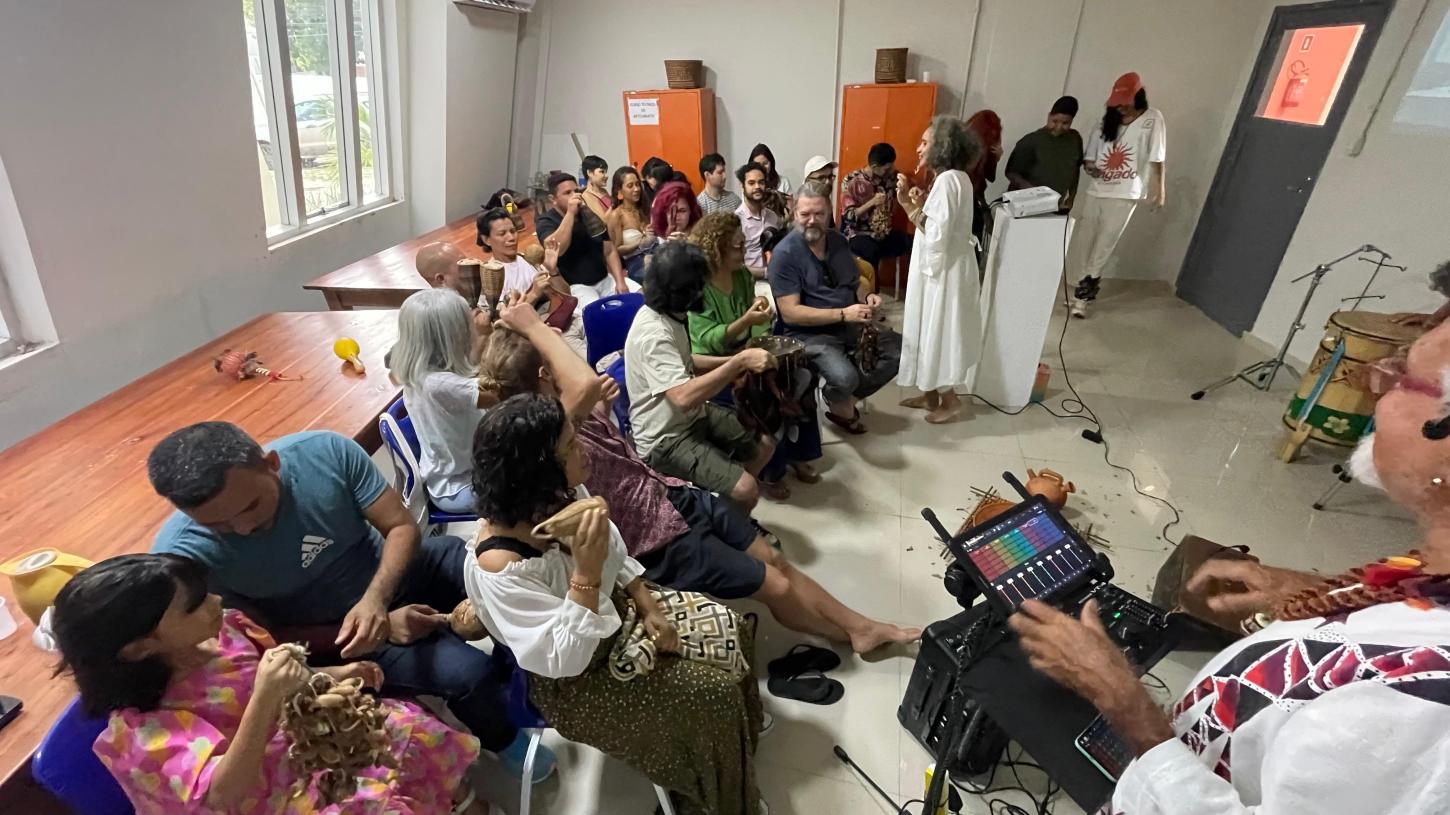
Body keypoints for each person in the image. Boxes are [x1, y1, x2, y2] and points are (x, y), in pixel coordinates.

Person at [1010, 319, 1450, 813]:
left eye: (1405, 377)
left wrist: (1127, 707)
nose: (1378, 388)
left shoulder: (1426, 714)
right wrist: (1333, 601)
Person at [479, 298, 919, 653]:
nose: (566, 358)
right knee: (776, 583)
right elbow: (585, 385)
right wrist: (532, 326)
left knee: (775, 560)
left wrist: (602, 414)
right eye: (554, 358)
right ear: (543, 376)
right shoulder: (538, 435)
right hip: (655, 539)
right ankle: (852, 632)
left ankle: (861, 627)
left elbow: (597, 419)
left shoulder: (558, 418)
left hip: (670, 496)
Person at [147, 422, 554, 779]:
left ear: (272, 464)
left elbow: (400, 527)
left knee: (475, 565)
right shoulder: (185, 558)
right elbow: (261, 637)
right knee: (468, 673)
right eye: (217, 525)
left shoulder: (324, 452)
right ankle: (504, 740)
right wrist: (375, 628)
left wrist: (377, 600)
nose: (244, 526)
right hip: (339, 634)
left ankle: (524, 662)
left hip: (389, 577)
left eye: (252, 505)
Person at [464, 393, 766, 815]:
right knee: (712, 697)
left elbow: (617, 554)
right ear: (536, 470)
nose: (583, 451)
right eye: (569, 447)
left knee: (730, 625)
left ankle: (732, 753)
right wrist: (584, 577)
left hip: (615, 614)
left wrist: (648, 603)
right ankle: (715, 794)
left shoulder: (562, 495)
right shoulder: (501, 565)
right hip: (574, 678)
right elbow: (561, 659)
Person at [52, 553, 485, 815]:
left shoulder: (221, 636)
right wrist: (266, 694)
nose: (216, 603)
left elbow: (278, 679)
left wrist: (329, 677)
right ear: (140, 648)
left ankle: (461, 802)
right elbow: (221, 793)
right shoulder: (142, 734)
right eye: (196, 606)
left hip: (296, 752)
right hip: (257, 799)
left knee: (408, 727)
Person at [624, 241, 778, 509]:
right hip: (664, 439)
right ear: (687, 291)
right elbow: (682, 397)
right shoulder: (655, 333)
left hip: (690, 417)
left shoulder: (672, 314)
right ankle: (737, 525)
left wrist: (735, 362)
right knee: (745, 489)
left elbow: (685, 361)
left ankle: (729, 512)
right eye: (701, 284)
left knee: (764, 443)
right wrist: (738, 361)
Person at [687, 211, 822, 496]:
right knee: (767, 392)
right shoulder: (698, 286)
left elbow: (756, 320)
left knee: (803, 374)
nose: (743, 247)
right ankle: (770, 470)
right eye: (737, 244)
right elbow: (706, 341)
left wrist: (760, 312)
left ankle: (799, 452)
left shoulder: (742, 275)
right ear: (717, 247)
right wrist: (747, 322)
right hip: (717, 363)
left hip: (747, 349)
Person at [769, 185, 901, 435]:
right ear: (794, 212)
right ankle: (840, 393)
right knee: (845, 378)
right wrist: (844, 314)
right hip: (808, 334)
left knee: (900, 350)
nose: (811, 221)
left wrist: (869, 295)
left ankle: (843, 400)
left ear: (830, 213)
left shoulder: (838, 240)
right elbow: (791, 313)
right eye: (804, 214)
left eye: (819, 214)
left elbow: (855, 282)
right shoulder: (784, 254)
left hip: (848, 323)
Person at [896, 117, 984, 424]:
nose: (919, 148)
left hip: (943, 273)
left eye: (924, 142)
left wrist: (909, 207)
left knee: (939, 329)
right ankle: (930, 393)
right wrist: (921, 205)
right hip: (945, 269)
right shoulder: (954, 178)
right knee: (928, 326)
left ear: (943, 147)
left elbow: (936, 235)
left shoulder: (948, 181)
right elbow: (942, 222)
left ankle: (950, 399)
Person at [1068, 71, 1167, 318]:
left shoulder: (1153, 119)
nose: (1121, 108)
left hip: (1126, 192)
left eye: (1125, 102)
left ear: (1138, 96)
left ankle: (1084, 296)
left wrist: (1159, 189)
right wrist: (1092, 168)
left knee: (1105, 242)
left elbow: (1157, 157)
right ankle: (1080, 286)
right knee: (1086, 239)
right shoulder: (1104, 123)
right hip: (1098, 190)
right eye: (1117, 103)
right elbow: (1089, 158)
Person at [389, 288, 496, 514]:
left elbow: (472, 372)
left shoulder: (423, 373)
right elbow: (503, 393)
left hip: (466, 474)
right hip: (460, 487)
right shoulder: (441, 384)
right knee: (542, 485)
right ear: (454, 336)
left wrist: (485, 336)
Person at [476, 207, 586, 356]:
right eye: (502, 234)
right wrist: (534, 293)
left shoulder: (528, 260)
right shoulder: (489, 276)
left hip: (571, 317)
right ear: (486, 239)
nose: (511, 238)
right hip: (548, 333)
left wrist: (552, 270)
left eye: (513, 231)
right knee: (599, 364)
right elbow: (503, 323)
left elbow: (566, 294)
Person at [534, 171, 640, 309]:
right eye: (567, 193)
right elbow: (557, 249)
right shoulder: (546, 221)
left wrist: (620, 282)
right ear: (553, 199)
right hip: (577, 287)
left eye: (576, 191)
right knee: (599, 314)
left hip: (605, 279)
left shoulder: (587, 214)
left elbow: (609, 250)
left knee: (640, 296)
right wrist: (570, 213)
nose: (575, 196)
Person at [414, 240, 494, 359]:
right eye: (462, 264)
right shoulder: (438, 321)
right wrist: (483, 334)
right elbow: (464, 366)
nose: (473, 266)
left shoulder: (475, 297)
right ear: (441, 278)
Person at [840, 142, 911, 271]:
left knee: (910, 242)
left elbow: (901, 199)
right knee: (870, 251)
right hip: (858, 233)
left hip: (883, 233)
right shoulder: (851, 181)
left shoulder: (891, 178)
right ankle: (871, 289)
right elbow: (848, 217)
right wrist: (872, 202)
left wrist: (904, 189)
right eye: (886, 168)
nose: (891, 170)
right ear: (874, 166)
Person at [1005, 95, 1084, 210]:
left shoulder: (1075, 139)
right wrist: (1034, 192)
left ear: (1072, 121)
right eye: (1054, 121)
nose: (1058, 127)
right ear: (1048, 116)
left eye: (1065, 123)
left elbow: (1075, 170)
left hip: (1055, 205)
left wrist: (1071, 197)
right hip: (1025, 204)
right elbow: (1011, 173)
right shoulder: (1031, 140)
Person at [605, 165, 657, 282]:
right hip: (635, 261)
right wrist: (640, 242)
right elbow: (616, 250)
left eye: (637, 184)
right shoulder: (616, 215)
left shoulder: (642, 208)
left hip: (654, 250)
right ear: (619, 191)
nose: (636, 189)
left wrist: (651, 232)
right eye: (630, 186)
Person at [735, 162, 783, 279]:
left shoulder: (773, 216)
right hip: (748, 282)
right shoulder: (736, 221)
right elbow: (735, 265)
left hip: (775, 281)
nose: (757, 186)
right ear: (742, 186)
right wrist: (766, 273)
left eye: (761, 182)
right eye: (751, 183)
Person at [964, 109, 1003, 244]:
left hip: (974, 198)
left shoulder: (984, 144)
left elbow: (990, 176)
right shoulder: (969, 146)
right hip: (969, 198)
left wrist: (996, 158)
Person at [649, 179, 703, 245]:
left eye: (682, 211)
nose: (676, 217)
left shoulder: (702, 239)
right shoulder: (655, 242)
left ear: (691, 211)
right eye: (671, 211)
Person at [580, 154, 612, 220]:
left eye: (605, 172)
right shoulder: (587, 196)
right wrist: (615, 204)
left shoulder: (604, 191)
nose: (606, 176)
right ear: (589, 173)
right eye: (602, 172)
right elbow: (604, 220)